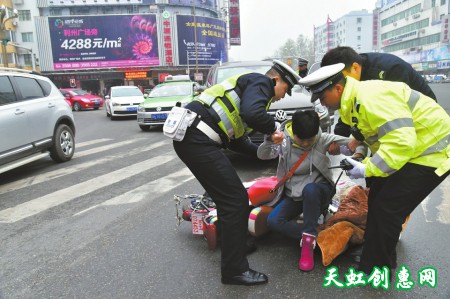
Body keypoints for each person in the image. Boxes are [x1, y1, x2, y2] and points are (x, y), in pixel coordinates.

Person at [298, 63, 450, 280]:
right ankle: (376, 255)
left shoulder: (370, 99)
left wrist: (367, 168)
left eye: (322, 97)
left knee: (388, 208)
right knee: (377, 197)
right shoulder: (353, 101)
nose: (322, 103)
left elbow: (401, 142)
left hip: (432, 152)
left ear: (338, 90)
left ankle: (377, 268)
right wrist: (356, 149)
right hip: (415, 150)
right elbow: (371, 130)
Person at [172, 60, 300, 286]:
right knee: (235, 200)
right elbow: (253, 114)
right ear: (276, 80)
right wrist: (274, 130)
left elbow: (238, 141)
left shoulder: (247, 92)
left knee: (230, 198)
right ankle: (234, 271)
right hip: (196, 139)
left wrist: (269, 154)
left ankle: (237, 245)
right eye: (285, 90)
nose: (283, 96)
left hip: (195, 138)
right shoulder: (261, 82)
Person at [257, 110, 367, 272]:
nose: (307, 144)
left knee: (310, 190)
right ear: (294, 132)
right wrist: (271, 141)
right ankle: (318, 236)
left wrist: (356, 155)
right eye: (302, 140)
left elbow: (359, 144)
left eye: (311, 140)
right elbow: (263, 155)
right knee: (274, 221)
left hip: (319, 192)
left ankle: (308, 244)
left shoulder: (323, 140)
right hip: (294, 195)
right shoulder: (284, 140)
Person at [319, 46, 437, 139]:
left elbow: (394, 122)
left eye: (339, 78)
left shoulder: (389, 71)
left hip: (423, 125)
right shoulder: (355, 76)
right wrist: (338, 138)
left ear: (355, 68)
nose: (338, 84)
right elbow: (349, 108)